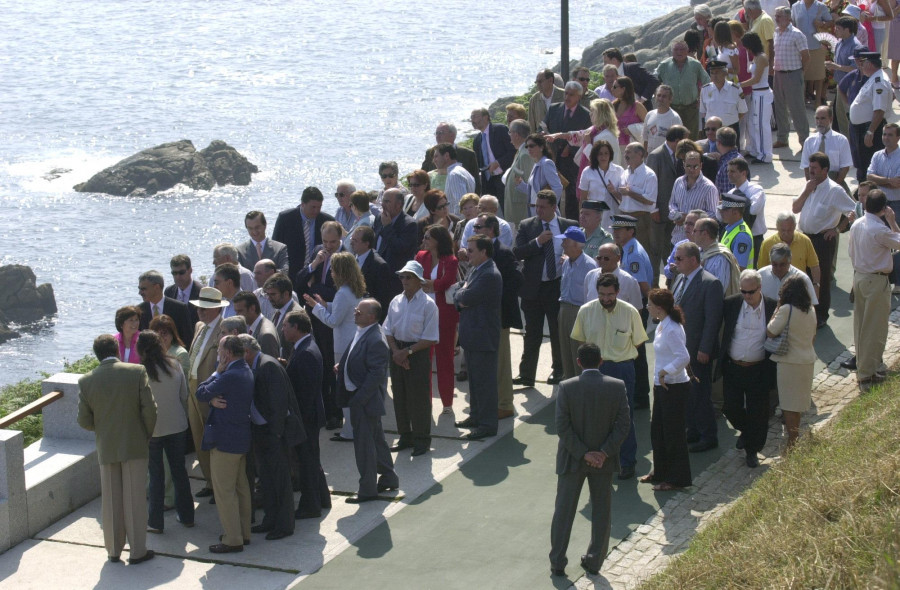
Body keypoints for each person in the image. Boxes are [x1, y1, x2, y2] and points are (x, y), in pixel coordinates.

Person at [548, 343, 630, 578]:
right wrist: (603, 453)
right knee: (602, 511)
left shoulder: (566, 387)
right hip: (604, 463)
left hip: (572, 460)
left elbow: (562, 427)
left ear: (578, 362)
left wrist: (583, 453)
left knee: (563, 511)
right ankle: (595, 561)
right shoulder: (617, 387)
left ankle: (557, 563)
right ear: (601, 361)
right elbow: (623, 425)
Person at [77, 334, 157, 565]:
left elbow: (83, 420)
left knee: (111, 501)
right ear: (118, 349)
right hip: (134, 443)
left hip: (107, 445)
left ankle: (113, 550)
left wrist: (102, 429)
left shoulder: (87, 380)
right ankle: (137, 551)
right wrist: (146, 433)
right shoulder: (136, 372)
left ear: (96, 354)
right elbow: (150, 410)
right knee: (135, 500)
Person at [571, 272, 647, 480]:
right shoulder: (586, 311)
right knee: (594, 418)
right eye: (602, 294)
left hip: (622, 369)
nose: (606, 299)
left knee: (624, 418)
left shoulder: (630, 312)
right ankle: (596, 460)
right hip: (595, 369)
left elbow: (639, 341)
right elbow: (581, 340)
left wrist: (618, 354)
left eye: (610, 294)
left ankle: (626, 462)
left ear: (618, 292)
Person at [240, 334, 306, 537]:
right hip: (261, 432)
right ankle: (270, 519)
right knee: (267, 480)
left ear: (247, 352)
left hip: (274, 434)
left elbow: (279, 404)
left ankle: (285, 525)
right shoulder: (254, 365)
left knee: (280, 480)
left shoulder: (268, 366)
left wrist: (276, 434)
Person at [336, 299, 400, 503]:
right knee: (377, 440)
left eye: (359, 312)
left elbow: (376, 376)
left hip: (364, 402)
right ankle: (389, 477)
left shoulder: (375, 340)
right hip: (363, 400)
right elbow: (356, 353)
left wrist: (358, 400)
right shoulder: (364, 330)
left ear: (371, 316)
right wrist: (343, 365)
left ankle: (367, 489)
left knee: (364, 447)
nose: (355, 313)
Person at [195, 335, 254, 553]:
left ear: (227, 354)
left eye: (220, 350)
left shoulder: (229, 374)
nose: (218, 354)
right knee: (241, 488)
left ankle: (232, 539)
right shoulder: (245, 370)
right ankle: (243, 533)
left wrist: (217, 372)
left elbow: (201, 392)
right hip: (240, 438)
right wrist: (212, 399)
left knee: (224, 491)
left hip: (225, 441)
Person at [513, 190, 578, 386]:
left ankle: (559, 371)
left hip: (556, 286)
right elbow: (517, 252)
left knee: (558, 332)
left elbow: (579, 250)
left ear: (553, 207)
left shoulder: (569, 226)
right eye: (536, 206)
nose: (538, 210)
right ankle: (527, 374)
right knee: (532, 332)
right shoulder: (527, 226)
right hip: (533, 288)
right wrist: (537, 242)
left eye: (542, 207)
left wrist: (569, 258)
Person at [304, 252, 366, 443]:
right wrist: (327, 304)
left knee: (345, 387)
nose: (330, 272)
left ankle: (350, 431)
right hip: (353, 342)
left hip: (342, 346)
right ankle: (354, 428)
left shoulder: (342, 293)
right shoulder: (353, 290)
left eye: (332, 268)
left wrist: (316, 307)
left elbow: (332, 321)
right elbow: (342, 310)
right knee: (353, 386)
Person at [137, 331, 194, 534]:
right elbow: (184, 395)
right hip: (177, 425)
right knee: (180, 472)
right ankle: (187, 516)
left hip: (153, 431)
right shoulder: (175, 364)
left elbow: (139, 405)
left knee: (156, 476)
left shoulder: (141, 372)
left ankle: (155, 522)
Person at [720, 270, 777, 468]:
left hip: (759, 369)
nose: (746, 296)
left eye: (750, 292)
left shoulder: (772, 307)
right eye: (743, 291)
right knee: (730, 407)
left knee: (758, 412)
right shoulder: (731, 304)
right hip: (733, 367)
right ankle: (746, 431)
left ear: (759, 288)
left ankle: (752, 451)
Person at [671, 241, 724, 453]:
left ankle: (708, 435)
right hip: (681, 348)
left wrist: (705, 349)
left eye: (679, 259)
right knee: (688, 394)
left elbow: (713, 320)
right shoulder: (680, 279)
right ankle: (692, 429)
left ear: (693, 260)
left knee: (701, 394)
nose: (675, 263)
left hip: (698, 350)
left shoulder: (710, 283)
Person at [793, 152, 857, 326]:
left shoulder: (835, 190)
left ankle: (820, 316)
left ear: (825, 170)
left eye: (814, 168)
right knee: (801, 276)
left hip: (822, 241)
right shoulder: (808, 185)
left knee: (820, 278)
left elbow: (854, 211)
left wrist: (837, 229)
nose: (810, 171)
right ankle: (804, 312)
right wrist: (806, 191)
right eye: (810, 167)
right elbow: (795, 208)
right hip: (803, 238)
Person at [383, 261, 439, 455]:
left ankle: (421, 439)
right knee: (400, 395)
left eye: (409, 277)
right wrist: (397, 352)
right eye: (402, 277)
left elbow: (430, 337)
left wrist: (406, 353)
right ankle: (405, 435)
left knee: (419, 397)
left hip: (417, 353)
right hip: (397, 349)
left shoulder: (428, 305)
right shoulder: (395, 301)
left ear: (418, 280)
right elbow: (387, 329)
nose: (404, 280)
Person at [641, 288, 692, 490]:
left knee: (673, 434)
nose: (648, 307)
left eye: (650, 305)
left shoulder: (671, 328)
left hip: (674, 387)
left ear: (659, 308)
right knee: (658, 431)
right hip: (662, 387)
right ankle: (660, 472)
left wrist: (665, 373)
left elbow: (684, 357)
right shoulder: (663, 323)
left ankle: (676, 478)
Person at [282, 310, 330, 518]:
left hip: (307, 418)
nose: (283, 329)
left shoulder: (307, 353)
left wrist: (296, 420)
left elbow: (306, 393)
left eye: (285, 326)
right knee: (312, 459)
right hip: (309, 416)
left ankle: (310, 506)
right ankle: (322, 498)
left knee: (307, 462)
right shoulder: (303, 348)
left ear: (296, 327)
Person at [453, 236, 503, 440]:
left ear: (484, 252)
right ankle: (475, 416)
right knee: (474, 381)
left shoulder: (489, 274)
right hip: (473, 335)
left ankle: (487, 424)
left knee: (485, 383)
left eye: (471, 250)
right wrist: (461, 293)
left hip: (483, 337)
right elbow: (460, 290)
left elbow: (466, 296)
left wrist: (461, 293)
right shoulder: (477, 269)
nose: (468, 254)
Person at [848, 189, 900, 384]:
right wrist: (893, 221)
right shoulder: (880, 229)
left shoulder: (857, 224)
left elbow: (851, 251)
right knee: (874, 328)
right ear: (884, 208)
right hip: (875, 281)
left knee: (861, 326)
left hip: (860, 277)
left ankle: (864, 367)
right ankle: (867, 373)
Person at [477, 213, 524, 419]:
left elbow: (516, 281)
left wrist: (495, 300)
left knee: (501, 362)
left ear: (491, 230)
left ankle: (505, 404)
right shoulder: (481, 252)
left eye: (478, 228)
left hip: (498, 316)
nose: (475, 231)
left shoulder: (503, 253)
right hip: (484, 317)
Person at [766, 276, 817, 449]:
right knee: (798, 404)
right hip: (807, 360)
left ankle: (792, 440)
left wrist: (777, 307)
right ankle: (794, 437)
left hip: (789, 363)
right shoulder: (811, 309)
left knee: (788, 405)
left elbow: (771, 331)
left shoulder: (786, 309)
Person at [415, 225, 459, 413]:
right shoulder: (420, 256)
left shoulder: (450, 260)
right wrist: (432, 284)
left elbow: (447, 281)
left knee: (444, 358)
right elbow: (415, 278)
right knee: (424, 360)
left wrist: (431, 284)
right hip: (423, 313)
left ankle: (447, 402)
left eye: (427, 237)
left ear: (438, 241)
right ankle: (425, 400)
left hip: (445, 315)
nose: (424, 240)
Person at [646, 125, 690, 288]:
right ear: (677, 140)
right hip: (658, 213)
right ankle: (653, 286)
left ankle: (671, 284)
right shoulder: (656, 156)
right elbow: (650, 185)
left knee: (669, 251)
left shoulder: (680, 156)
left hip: (673, 214)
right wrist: (654, 209)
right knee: (655, 252)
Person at [545, 82, 592, 217]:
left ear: (579, 96)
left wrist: (570, 148)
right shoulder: (554, 109)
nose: (567, 97)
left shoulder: (585, 114)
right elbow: (543, 126)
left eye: (571, 94)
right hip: (553, 157)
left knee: (572, 195)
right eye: (566, 93)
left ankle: (572, 223)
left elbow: (585, 136)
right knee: (552, 192)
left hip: (572, 160)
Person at [556, 227, 598, 380]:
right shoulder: (567, 263)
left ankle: (581, 385)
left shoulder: (590, 266)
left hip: (579, 312)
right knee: (565, 351)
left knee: (578, 353)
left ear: (576, 244)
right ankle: (569, 383)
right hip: (564, 310)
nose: (562, 244)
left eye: (565, 241)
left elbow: (592, 297)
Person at [866, 123, 900, 291]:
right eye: (884, 134)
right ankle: (884, 277)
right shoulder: (877, 155)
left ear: (898, 137)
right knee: (880, 242)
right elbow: (869, 176)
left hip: (898, 204)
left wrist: (880, 180)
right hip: (880, 206)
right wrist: (888, 181)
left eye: (890, 135)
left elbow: (898, 183)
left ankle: (899, 282)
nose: (886, 137)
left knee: (897, 241)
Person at [654, 40, 710, 139]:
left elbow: (707, 82)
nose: (679, 52)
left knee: (692, 137)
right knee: (673, 137)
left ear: (687, 50)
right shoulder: (664, 65)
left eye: (682, 49)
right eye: (676, 50)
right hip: (671, 108)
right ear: (672, 51)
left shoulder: (695, 64)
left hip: (691, 108)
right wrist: (659, 97)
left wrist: (702, 99)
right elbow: (654, 81)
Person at [772, 6, 811, 150]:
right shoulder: (777, 33)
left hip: (793, 74)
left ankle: (804, 141)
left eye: (780, 16)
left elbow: (806, 57)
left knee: (797, 109)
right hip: (779, 74)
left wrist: (801, 73)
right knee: (780, 108)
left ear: (788, 18)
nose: (777, 19)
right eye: (776, 16)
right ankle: (782, 138)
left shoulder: (797, 34)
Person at [372, 187, 419, 299]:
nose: (383, 204)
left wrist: (387, 227)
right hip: (376, 277)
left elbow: (399, 248)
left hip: (393, 281)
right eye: (383, 201)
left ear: (398, 205)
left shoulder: (409, 224)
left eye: (387, 201)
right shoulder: (379, 218)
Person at [611, 143, 658, 252]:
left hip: (640, 219)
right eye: (625, 152)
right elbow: (625, 199)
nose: (625, 155)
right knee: (621, 251)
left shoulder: (649, 175)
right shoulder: (624, 173)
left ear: (640, 154)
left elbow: (650, 200)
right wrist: (614, 192)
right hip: (622, 217)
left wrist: (630, 193)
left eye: (628, 152)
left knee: (640, 250)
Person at [758, 213, 823, 290]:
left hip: (799, 288)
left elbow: (814, 266)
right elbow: (762, 270)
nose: (786, 233)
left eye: (789, 230)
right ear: (777, 227)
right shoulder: (767, 244)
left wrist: (816, 285)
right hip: (775, 289)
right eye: (783, 230)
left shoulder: (805, 241)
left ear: (795, 226)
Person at [669, 152, 719, 246]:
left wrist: (690, 218)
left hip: (697, 243)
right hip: (677, 239)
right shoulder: (678, 182)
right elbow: (672, 204)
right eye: (688, 166)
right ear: (683, 165)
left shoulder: (709, 188)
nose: (692, 169)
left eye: (695, 166)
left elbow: (713, 215)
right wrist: (676, 215)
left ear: (701, 166)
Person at [740, 32, 774, 164]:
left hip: (762, 93)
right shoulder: (756, 57)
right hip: (757, 93)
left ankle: (765, 155)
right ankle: (756, 150)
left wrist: (739, 85)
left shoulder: (761, 58)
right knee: (754, 123)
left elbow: (756, 79)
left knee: (761, 125)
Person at [827, 15, 864, 137]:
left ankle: (850, 143)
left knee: (848, 117)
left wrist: (836, 67)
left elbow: (856, 68)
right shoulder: (839, 43)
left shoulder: (855, 46)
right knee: (839, 117)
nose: (835, 30)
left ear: (847, 30)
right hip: (840, 85)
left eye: (838, 28)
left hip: (850, 87)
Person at [726, 157, 768, 265]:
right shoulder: (730, 193)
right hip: (735, 239)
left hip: (755, 239)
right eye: (728, 171)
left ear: (744, 173)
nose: (729, 174)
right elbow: (721, 215)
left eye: (733, 171)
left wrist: (737, 202)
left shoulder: (756, 190)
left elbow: (753, 210)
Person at [801, 105, 853, 192]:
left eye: (822, 118)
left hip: (835, 182)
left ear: (831, 119)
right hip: (815, 184)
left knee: (853, 205)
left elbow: (845, 167)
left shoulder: (841, 140)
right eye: (817, 118)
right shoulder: (809, 141)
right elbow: (806, 167)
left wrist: (833, 188)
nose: (819, 122)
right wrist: (811, 187)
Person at [421, 122, 482, 196]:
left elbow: (476, 183)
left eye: (441, 133)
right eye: (436, 133)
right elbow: (422, 176)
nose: (437, 136)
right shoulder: (430, 153)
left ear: (452, 135)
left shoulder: (468, 154)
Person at [791, 0, 832, 107]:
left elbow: (831, 22)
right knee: (802, 75)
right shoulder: (796, 6)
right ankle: (802, 100)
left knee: (818, 75)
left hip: (817, 45)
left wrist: (822, 23)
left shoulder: (821, 6)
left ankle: (817, 101)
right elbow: (792, 25)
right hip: (800, 47)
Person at [577, 139, 624, 231]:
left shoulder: (619, 171)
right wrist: (582, 218)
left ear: (610, 154)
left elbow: (624, 198)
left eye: (606, 153)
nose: (603, 156)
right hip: (594, 217)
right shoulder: (587, 171)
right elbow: (583, 199)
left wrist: (614, 191)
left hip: (613, 217)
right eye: (600, 154)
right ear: (596, 155)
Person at [471, 107, 515, 202]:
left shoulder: (500, 130)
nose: (472, 120)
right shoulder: (477, 140)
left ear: (486, 117)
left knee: (506, 209)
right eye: (471, 117)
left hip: (504, 176)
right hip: (488, 181)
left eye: (475, 116)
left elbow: (513, 151)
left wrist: (498, 163)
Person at [137, 270, 192, 345]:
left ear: (156, 287)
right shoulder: (139, 310)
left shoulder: (179, 308)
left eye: (143, 289)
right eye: (139, 289)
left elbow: (187, 339)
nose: (140, 293)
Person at [700, 60, 748, 144]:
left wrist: (729, 121)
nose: (714, 76)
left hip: (730, 130)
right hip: (712, 132)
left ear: (725, 73)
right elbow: (703, 112)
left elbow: (742, 111)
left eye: (717, 73)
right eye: (712, 73)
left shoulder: (735, 89)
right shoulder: (705, 89)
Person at [349, 226, 392, 317]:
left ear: (366, 244)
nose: (351, 242)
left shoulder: (379, 266)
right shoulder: (351, 258)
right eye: (351, 239)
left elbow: (382, 300)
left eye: (355, 240)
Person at [584, 243, 643, 309]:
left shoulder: (629, 281)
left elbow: (636, 309)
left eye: (606, 258)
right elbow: (586, 303)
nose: (602, 260)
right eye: (599, 258)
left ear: (618, 258)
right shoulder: (590, 276)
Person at [516, 133, 564, 211]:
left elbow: (557, 188)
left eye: (531, 146)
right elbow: (533, 191)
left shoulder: (546, 163)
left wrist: (550, 208)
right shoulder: (536, 164)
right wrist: (520, 184)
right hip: (534, 211)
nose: (528, 149)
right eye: (527, 146)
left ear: (541, 147)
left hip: (545, 212)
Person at [694, 218, 741, 295]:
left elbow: (719, 289)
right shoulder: (699, 252)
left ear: (705, 233)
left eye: (695, 231)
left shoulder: (720, 258)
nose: (693, 234)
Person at [503, 118, 535, 227]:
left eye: (510, 132)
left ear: (516, 135)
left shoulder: (525, 154)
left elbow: (531, 187)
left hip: (521, 213)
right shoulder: (521, 151)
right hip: (516, 212)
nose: (509, 135)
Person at [263, 273, 301, 361]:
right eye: (268, 294)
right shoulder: (278, 310)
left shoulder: (297, 314)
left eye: (273, 294)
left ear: (286, 294)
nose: (269, 298)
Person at [431, 143, 476, 215]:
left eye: (436, 156)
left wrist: (455, 223)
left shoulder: (454, 175)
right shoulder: (462, 171)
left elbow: (460, 204)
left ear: (446, 156)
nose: (434, 160)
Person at [232, 291, 279, 358]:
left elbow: (269, 365)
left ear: (252, 309)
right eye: (236, 311)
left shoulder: (266, 335)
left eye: (240, 311)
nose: (237, 315)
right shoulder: (252, 327)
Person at [717, 193, 756, 270]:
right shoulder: (730, 228)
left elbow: (739, 267)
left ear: (735, 212)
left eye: (724, 210)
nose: (721, 212)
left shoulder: (742, 236)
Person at [612, 77, 648, 154]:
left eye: (615, 87)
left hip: (633, 148)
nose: (612, 89)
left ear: (623, 89)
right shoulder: (613, 105)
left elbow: (648, 125)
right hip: (615, 146)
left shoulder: (637, 106)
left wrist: (632, 130)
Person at [166, 254, 203, 328]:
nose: (178, 277)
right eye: (174, 273)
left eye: (181, 272)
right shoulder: (169, 291)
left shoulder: (201, 292)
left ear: (190, 270)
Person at [643, 85, 683, 152]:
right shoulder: (649, 115)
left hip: (665, 157)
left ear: (670, 99)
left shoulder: (675, 118)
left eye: (664, 96)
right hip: (650, 157)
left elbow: (678, 142)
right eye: (659, 95)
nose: (660, 99)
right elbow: (645, 138)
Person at [528, 68, 565, 136]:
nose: (538, 85)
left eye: (540, 81)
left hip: (560, 140)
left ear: (550, 80)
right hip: (541, 142)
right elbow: (532, 125)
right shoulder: (534, 100)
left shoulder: (564, 95)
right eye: (536, 82)